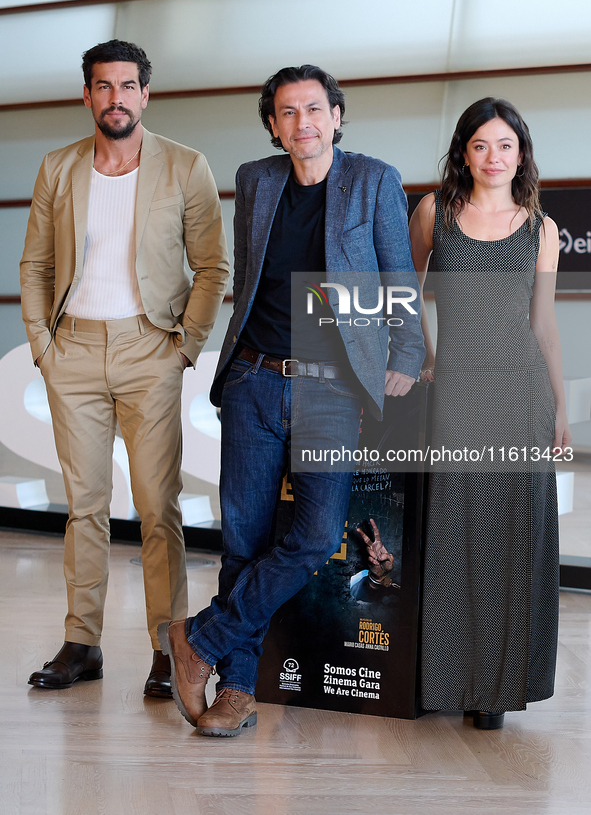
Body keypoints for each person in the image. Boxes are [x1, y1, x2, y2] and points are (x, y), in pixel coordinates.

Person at [158, 64, 425, 736]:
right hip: (254, 377)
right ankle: (236, 690)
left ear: (336, 115)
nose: (301, 122)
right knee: (243, 541)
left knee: (311, 535)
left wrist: (406, 354)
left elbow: (398, 276)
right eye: (287, 112)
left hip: (329, 389)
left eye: (313, 108)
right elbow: (249, 280)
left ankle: (199, 637)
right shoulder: (257, 180)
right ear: (273, 125)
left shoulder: (373, 181)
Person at [20, 40, 229, 697]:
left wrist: (184, 346)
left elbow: (212, 267)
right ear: (87, 95)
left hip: (151, 353)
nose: (115, 97)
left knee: (157, 506)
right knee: (84, 506)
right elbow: (34, 266)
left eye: (127, 85)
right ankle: (82, 643)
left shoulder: (185, 167)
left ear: (145, 94)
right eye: (103, 86)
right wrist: (42, 347)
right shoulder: (58, 168)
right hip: (72, 352)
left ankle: (170, 648)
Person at [409, 97, 571, 730]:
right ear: (464, 152)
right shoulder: (434, 212)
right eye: (481, 145)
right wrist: (423, 355)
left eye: (506, 145)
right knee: (450, 533)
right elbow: (404, 289)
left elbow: (545, 325)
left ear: (521, 154)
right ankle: (437, 678)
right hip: (454, 390)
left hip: (520, 394)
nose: (494, 157)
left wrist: (559, 409)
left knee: (509, 541)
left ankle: (494, 690)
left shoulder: (541, 227)